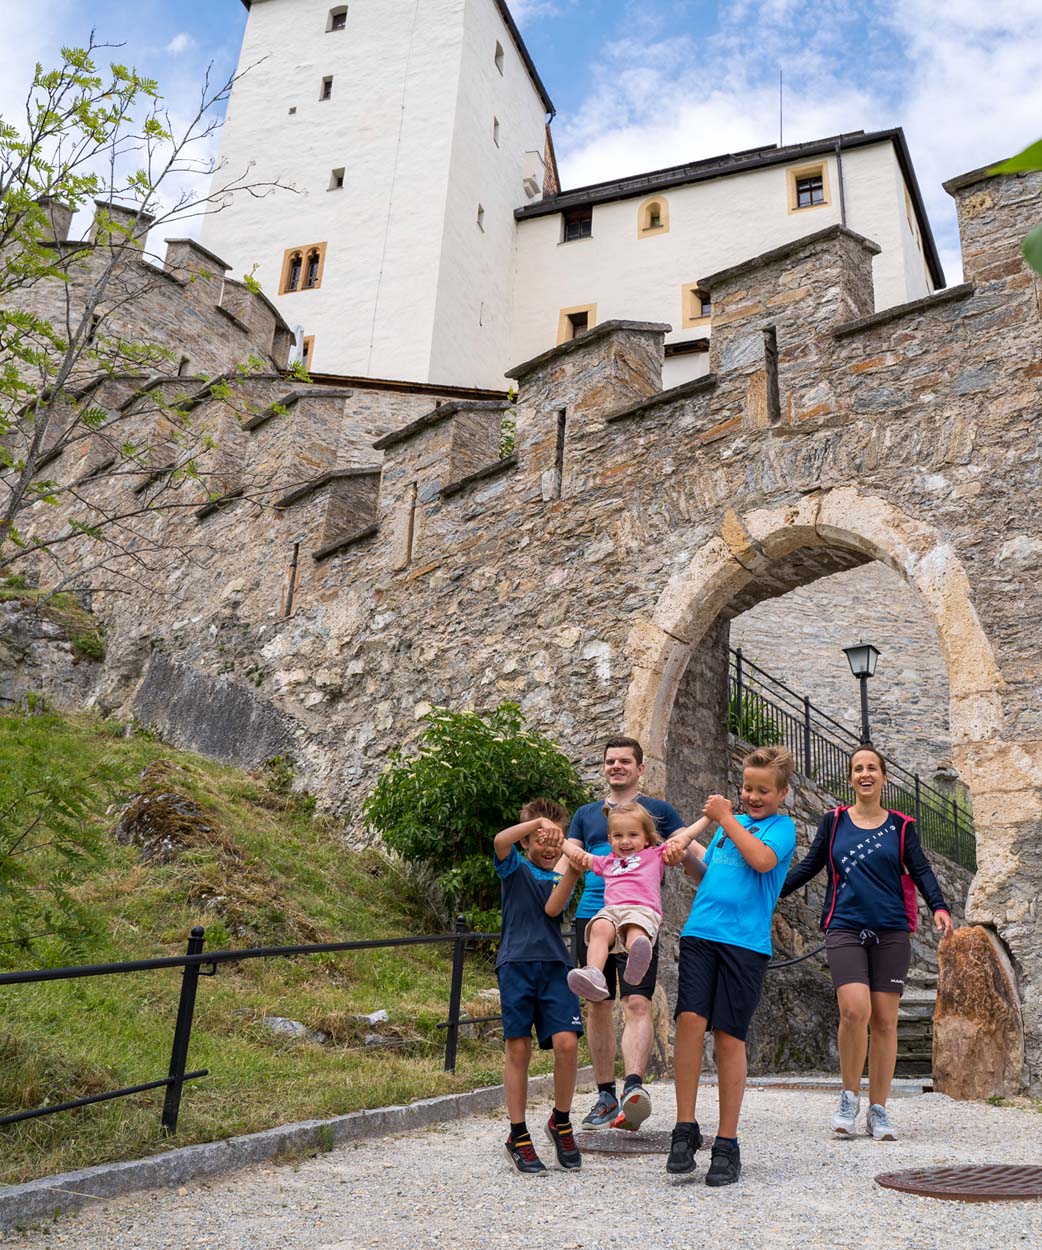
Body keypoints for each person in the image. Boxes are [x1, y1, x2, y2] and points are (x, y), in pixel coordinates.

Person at [779, 744, 953, 1141]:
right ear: (851, 777)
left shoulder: (902, 826)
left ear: (884, 778)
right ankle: (848, 1097)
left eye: (872, 768)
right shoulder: (834, 822)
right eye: (858, 768)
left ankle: (879, 1109)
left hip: (892, 931)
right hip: (844, 927)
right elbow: (810, 866)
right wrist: (773, 895)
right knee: (855, 1010)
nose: (865, 774)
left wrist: (939, 907)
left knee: (886, 1020)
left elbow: (922, 870)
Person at [668, 745, 798, 1187]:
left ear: (781, 793)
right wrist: (683, 853)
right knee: (688, 1020)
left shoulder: (782, 830)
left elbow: (760, 861)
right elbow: (708, 874)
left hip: (745, 944)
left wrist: (724, 818)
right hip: (701, 932)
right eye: (747, 788)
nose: (752, 796)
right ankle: (684, 1128)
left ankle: (727, 1142)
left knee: (728, 1036)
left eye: (763, 790)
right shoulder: (731, 826)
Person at [567, 736, 701, 1132]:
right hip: (593, 916)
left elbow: (688, 857)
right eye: (610, 761)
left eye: (625, 761)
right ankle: (605, 1095)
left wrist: (685, 857)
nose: (616, 766)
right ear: (604, 767)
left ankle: (633, 1089)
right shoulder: (585, 814)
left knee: (637, 1004)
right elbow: (570, 861)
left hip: (639, 917)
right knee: (598, 1006)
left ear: (641, 768)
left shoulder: (658, 812)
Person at [493, 797, 584, 1175]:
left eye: (553, 844)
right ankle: (518, 1134)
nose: (547, 849)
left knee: (567, 1043)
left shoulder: (559, 874)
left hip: (554, 967)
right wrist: (536, 826)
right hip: (515, 964)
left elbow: (552, 910)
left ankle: (560, 1121)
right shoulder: (513, 866)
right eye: (539, 842)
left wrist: (572, 866)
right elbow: (500, 840)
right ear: (527, 844)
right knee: (519, 1049)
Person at [562, 801, 709, 998]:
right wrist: (559, 842)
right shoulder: (607, 862)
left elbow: (686, 837)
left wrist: (709, 817)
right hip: (612, 911)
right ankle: (594, 973)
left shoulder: (656, 854)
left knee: (635, 930)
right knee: (599, 927)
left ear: (647, 839)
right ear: (609, 839)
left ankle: (637, 956)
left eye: (633, 835)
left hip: (642, 910)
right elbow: (578, 854)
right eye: (618, 836)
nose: (625, 841)